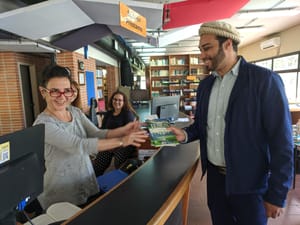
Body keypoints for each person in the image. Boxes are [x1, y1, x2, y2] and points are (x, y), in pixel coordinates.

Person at [168, 21, 294, 225]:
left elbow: (282, 142)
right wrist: (185, 135)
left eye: (207, 48)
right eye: (201, 49)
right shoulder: (205, 86)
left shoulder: (264, 81)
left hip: (251, 184)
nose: (202, 55)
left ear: (227, 44)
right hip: (216, 182)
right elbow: (201, 126)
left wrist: (277, 194)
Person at [27, 64, 148, 214]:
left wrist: (124, 130)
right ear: (43, 92)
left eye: (66, 91)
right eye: (55, 92)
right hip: (62, 193)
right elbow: (79, 145)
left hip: (87, 184)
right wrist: (123, 141)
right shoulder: (43, 124)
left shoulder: (75, 112)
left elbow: (97, 133)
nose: (62, 97)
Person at [92, 90, 139, 176]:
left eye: (120, 100)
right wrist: (106, 143)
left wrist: (115, 144)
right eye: (115, 99)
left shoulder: (127, 114)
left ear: (124, 102)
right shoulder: (108, 113)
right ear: (112, 100)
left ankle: (121, 180)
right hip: (110, 143)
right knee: (99, 163)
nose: (117, 102)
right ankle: (95, 182)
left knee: (119, 163)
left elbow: (128, 133)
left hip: (124, 143)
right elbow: (103, 130)